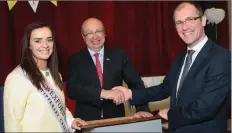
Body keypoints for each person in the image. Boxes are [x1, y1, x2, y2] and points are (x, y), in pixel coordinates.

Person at [113, 2, 231, 133]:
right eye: (179, 22)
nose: (184, 27)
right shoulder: (179, 58)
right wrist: (131, 94)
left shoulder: (221, 57)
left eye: (190, 20)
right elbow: (165, 88)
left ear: (203, 20)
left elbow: (206, 107)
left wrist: (171, 114)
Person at [4, 22, 87, 132]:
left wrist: (71, 121)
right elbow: (12, 125)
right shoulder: (17, 78)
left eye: (49, 39)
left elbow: (59, 107)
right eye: (38, 41)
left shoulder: (55, 74)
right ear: (28, 45)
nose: (45, 45)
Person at [67, 18, 153, 121]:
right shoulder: (75, 59)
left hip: (115, 120)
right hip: (86, 122)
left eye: (98, 31)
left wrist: (142, 108)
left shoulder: (119, 55)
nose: (95, 36)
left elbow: (136, 83)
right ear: (83, 37)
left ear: (104, 33)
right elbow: (72, 90)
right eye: (89, 33)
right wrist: (103, 93)